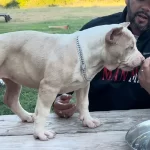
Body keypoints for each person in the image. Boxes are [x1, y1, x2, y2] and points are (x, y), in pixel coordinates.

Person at [53, 0, 150, 118]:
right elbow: (64, 76)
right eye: (141, 0)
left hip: (143, 123)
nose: (146, 7)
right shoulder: (95, 30)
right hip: (94, 120)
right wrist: (60, 100)